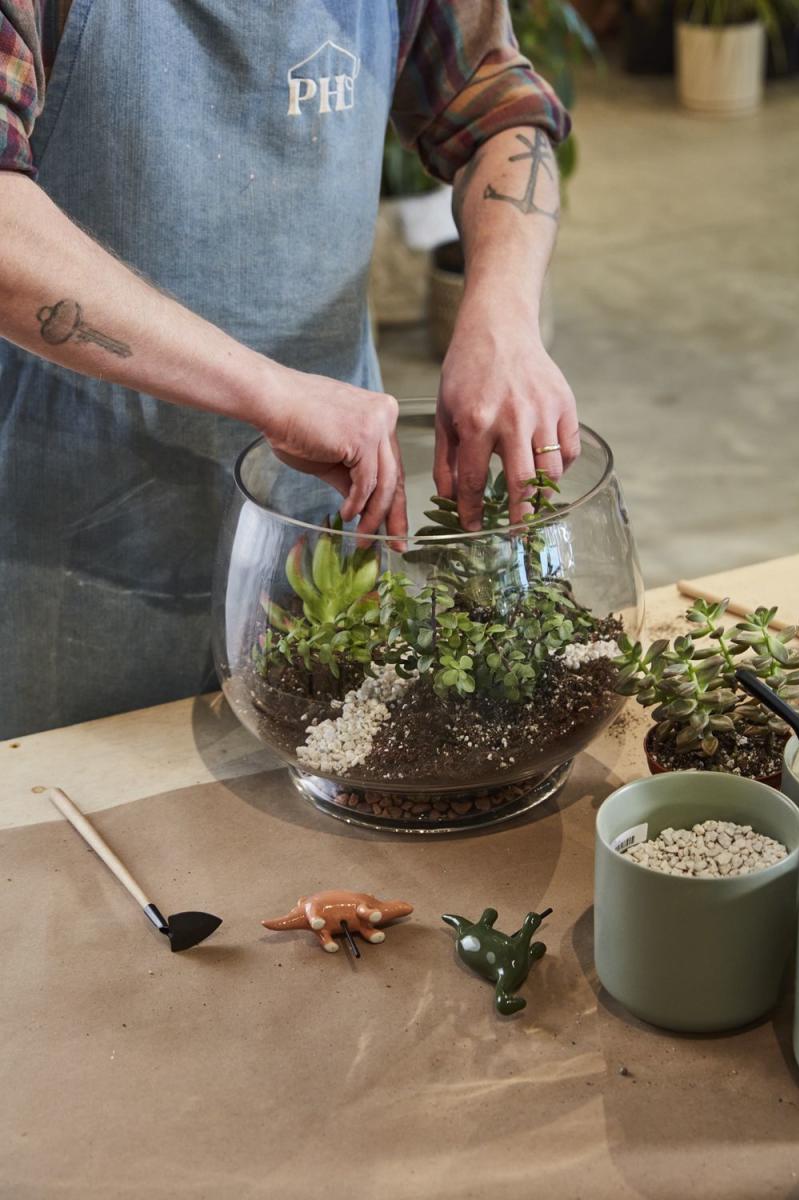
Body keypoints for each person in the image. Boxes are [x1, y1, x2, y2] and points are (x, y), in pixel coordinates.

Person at [0, 1, 578, 739]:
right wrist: (268, 391)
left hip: (326, 514)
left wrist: (502, 315)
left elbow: (497, 108)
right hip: (71, 523)